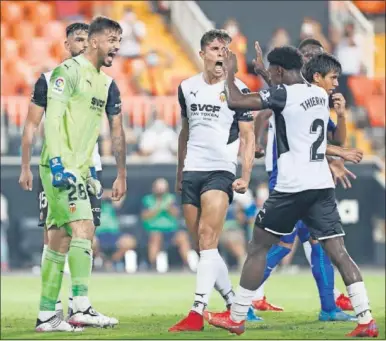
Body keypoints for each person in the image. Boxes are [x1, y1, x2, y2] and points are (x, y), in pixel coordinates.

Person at [207, 47, 378, 337]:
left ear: (279, 71)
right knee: (338, 252)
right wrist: (263, 72)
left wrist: (232, 71)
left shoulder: (285, 94)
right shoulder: (318, 95)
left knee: (258, 247)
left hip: (291, 187)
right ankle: (366, 320)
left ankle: (237, 317)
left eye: (273, 71)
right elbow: (286, 100)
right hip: (321, 186)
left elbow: (236, 101)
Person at [251, 38, 355, 319]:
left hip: (311, 178)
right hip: (286, 177)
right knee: (283, 243)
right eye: (306, 55)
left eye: (316, 57)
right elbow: (262, 113)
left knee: (317, 242)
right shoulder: (288, 91)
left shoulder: (317, 97)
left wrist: (335, 158)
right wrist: (258, 144)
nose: (311, 60)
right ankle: (245, 300)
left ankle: (328, 307)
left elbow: (325, 137)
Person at [34, 16, 127, 332]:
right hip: (59, 167)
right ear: (95, 41)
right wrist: (59, 163)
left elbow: (87, 133)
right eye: (112, 39)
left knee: (59, 241)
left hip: (80, 169)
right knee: (84, 229)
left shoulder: (103, 81)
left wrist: (89, 171)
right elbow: (54, 119)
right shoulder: (67, 73)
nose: (117, 46)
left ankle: (47, 314)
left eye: (120, 40)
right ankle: (80, 305)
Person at [168, 29, 259, 333]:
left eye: (225, 49)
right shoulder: (186, 87)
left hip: (221, 170)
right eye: (215, 48)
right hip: (192, 169)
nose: (221, 53)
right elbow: (185, 131)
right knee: (202, 247)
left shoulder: (239, 90)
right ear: (202, 54)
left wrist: (245, 175)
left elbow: (248, 138)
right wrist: (180, 170)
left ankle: (196, 312)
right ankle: (233, 303)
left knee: (208, 237)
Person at [18, 22, 100, 323]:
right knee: (55, 234)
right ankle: (61, 309)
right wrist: (26, 165)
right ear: (67, 45)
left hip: (90, 165)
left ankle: (71, 306)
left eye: (87, 40)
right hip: (56, 166)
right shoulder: (50, 79)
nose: (82, 45)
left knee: (85, 233)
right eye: (77, 40)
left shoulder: (101, 79)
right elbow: (31, 125)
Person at [141, 178, 196, 272]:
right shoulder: (147, 199)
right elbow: (145, 216)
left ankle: (188, 265)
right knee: (156, 237)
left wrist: (168, 207)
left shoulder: (171, 198)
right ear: (154, 188)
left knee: (182, 237)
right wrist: (158, 206)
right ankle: (153, 265)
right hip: (154, 230)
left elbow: (176, 214)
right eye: (158, 187)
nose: (160, 190)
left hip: (171, 231)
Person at [93, 191, 137, 272]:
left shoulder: (111, 206)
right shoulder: (92, 206)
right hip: (98, 234)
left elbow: (121, 196)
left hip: (114, 234)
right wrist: (96, 196)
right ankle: (101, 259)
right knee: (91, 242)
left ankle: (111, 261)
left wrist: (105, 194)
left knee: (130, 242)